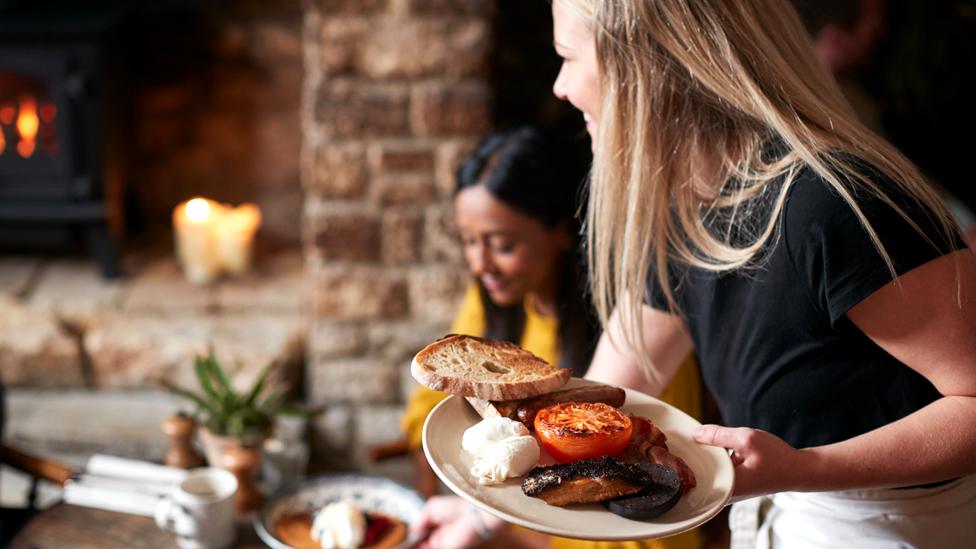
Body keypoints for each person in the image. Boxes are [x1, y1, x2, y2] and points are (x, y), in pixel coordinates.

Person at [414, 1, 976, 548]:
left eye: (568, 55)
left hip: (895, 529)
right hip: (782, 515)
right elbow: (606, 392)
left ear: (649, 64)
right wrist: (478, 515)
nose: (561, 86)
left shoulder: (835, 205)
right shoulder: (689, 209)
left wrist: (805, 467)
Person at [403, 126, 704, 549]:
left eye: (502, 244)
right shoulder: (488, 303)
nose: (480, 262)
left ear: (563, 230)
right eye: (468, 241)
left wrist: (494, 528)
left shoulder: (634, 336)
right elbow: (426, 416)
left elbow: (638, 529)